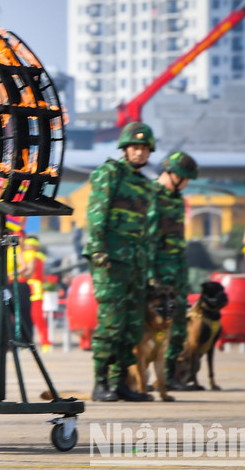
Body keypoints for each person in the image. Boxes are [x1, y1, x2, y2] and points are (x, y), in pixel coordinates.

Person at [83, 121, 157, 403]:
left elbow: (145, 231)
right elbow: (96, 215)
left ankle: (120, 383)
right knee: (111, 322)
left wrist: (146, 269)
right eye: (134, 147)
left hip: (135, 263)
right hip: (110, 260)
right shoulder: (109, 173)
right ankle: (100, 382)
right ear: (125, 149)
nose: (139, 152)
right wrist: (100, 250)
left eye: (144, 148)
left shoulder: (144, 185)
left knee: (133, 324)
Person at [148, 151, 198, 390]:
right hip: (158, 271)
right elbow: (148, 238)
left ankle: (170, 377)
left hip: (177, 269)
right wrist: (150, 275)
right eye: (185, 178)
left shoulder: (176, 198)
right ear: (173, 174)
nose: (186, 183)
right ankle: (137, 378)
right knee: (151, 325)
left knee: (178, 323)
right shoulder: (151, 195)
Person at [22, 236, 51, 352]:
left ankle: (44, 342)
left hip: (35, 289)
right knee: (26, 318)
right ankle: (27, 342)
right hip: (25, 287)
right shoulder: (27, 255)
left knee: (37, 317)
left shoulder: (34, 256)